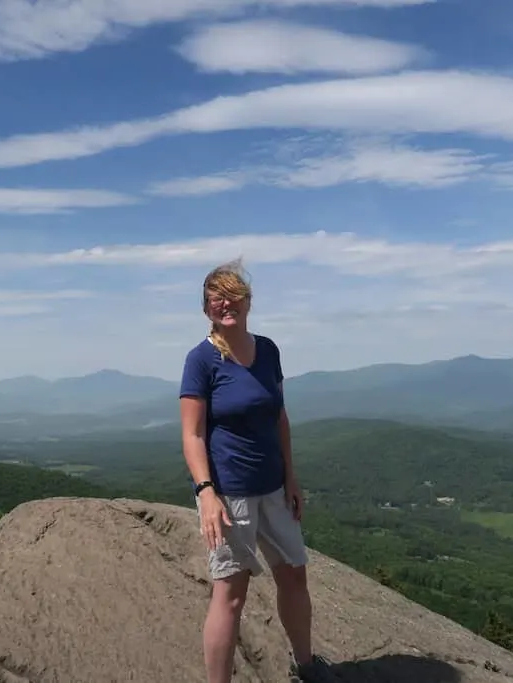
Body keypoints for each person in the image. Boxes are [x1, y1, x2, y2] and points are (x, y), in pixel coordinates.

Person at [178, 259, 334, 683]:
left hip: (273, 487)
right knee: (230, 594)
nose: (225, 303)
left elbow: (278, 416)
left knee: (294, 575)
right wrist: (206, 493)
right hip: (230, 494)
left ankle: (305, 664)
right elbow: (192, 435)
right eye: (216, 298)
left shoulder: (267, 350)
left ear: (248, 302)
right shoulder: (201, 360)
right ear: (206, 309)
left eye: (233, 296)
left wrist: (291, 475)